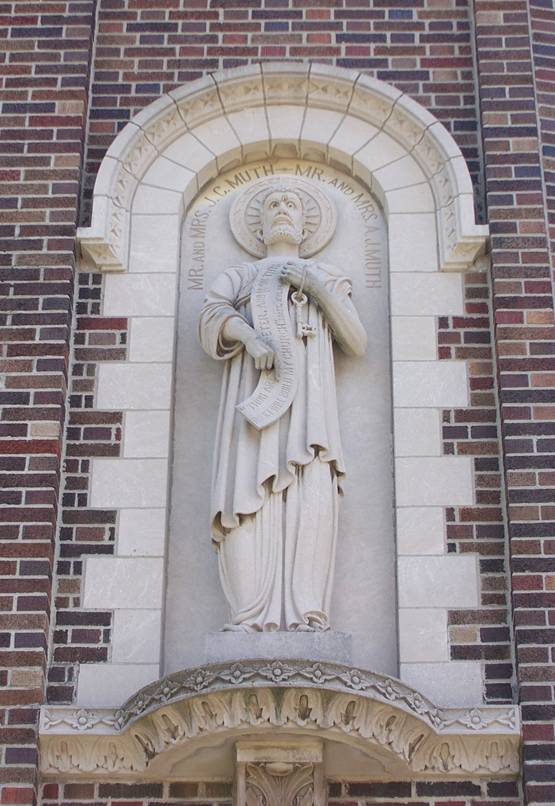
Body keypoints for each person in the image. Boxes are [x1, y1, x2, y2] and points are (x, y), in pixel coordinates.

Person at [199, 181, 366, 632]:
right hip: (252, 409)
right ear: (258, 225)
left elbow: (356, 340)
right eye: (273, 204)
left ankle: (306, 611)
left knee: (311, 488)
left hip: (310, 410)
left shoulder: (326, 276)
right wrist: (250, 338)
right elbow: (212, 314)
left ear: (306, 222)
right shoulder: (241, 276)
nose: (282, 209)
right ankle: (250, 615)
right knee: (244, 494)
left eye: (291, 203)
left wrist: (315, 288)